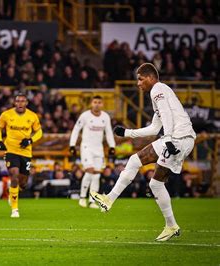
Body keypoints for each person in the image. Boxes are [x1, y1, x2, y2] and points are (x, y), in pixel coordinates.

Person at [90, 63, 196, 242]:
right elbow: (155, 128)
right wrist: (128, 133)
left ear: (151, 77)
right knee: (149, 177)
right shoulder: (160, 96)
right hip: (179, 138)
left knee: (141, 169)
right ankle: (170, 225)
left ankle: (110, 199)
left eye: (140, 79)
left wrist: (169, 138)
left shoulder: (158, 89)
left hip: (178, 138)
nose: (138, 83)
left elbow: (167, 117)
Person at [0, 92, 43, 218]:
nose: (20, 103)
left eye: (23, 101)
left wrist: (30, 140)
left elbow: (39, 132)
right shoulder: (6, 115)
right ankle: (15, 209)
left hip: (26, 152)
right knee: (14, 175)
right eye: (18, 101)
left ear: (26, 103)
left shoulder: (32, 116)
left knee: (23, 183)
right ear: (15, 103)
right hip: (11, 150)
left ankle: (13, 193)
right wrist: (0, 141)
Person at [69, 96, 115, 209]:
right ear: (91, 104)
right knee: (89, 172)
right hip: (86, 147)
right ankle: (82, 198)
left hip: (98, 148)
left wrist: (112, 146)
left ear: (102, 104)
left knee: (97, 176)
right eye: (95, 102)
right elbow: (76, 129)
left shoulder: (105, 117)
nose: (97, 104)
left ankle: (92, 201)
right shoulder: (85, 116)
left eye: (99, 102)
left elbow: (108, 132)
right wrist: (72, 145)